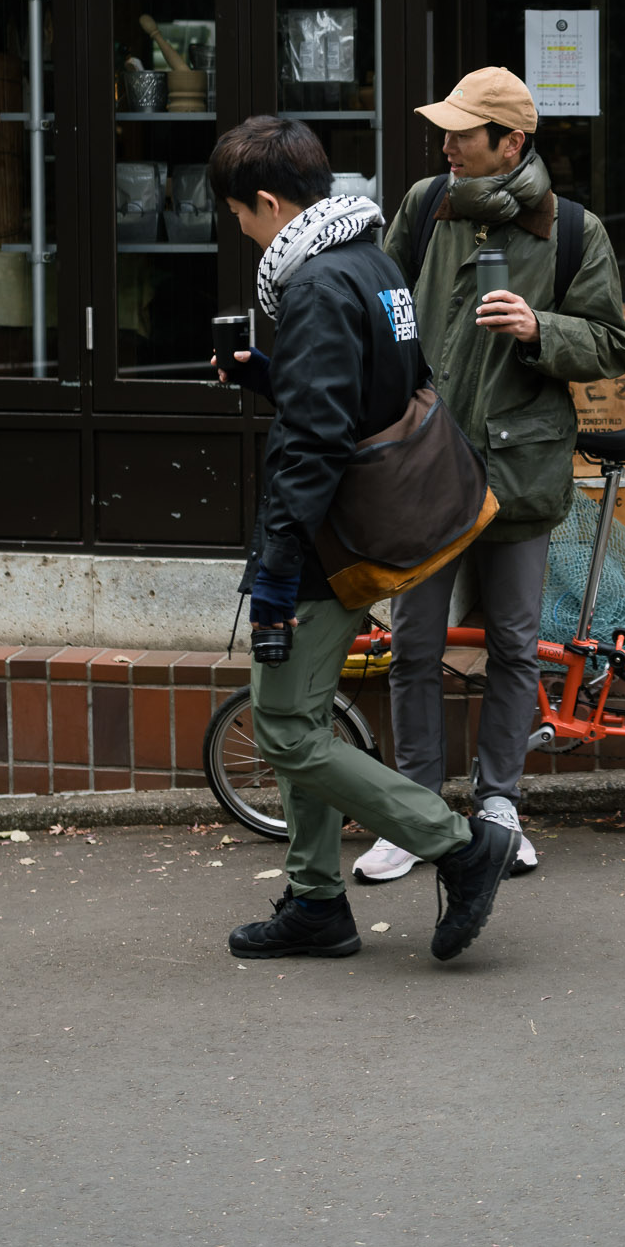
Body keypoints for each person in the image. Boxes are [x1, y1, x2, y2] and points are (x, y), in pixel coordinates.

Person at [210, 115, 518, 965]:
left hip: (324, 542)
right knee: (304, 718)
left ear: (269, 202)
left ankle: (458, 844)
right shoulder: (371, 262)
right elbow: (379, 390)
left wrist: (276, 574)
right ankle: (316, 902)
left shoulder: (313, 286)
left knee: (284, 728)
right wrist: (273, 375)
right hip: (368, 519)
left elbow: (314, 443)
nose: (242, 231)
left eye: (239, 215)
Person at [354, 68, 625, 884]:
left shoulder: (572, 231)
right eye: (444, 131)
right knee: (413, 644)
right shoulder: (424, 207)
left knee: (514, 645)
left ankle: (500, 808)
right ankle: (415, 813)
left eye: (462, 134)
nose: (446, 145)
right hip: (424, 467)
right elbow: (376, 304)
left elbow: (613, 345)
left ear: (511, 143)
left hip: (519, 471)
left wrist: (539, 328)